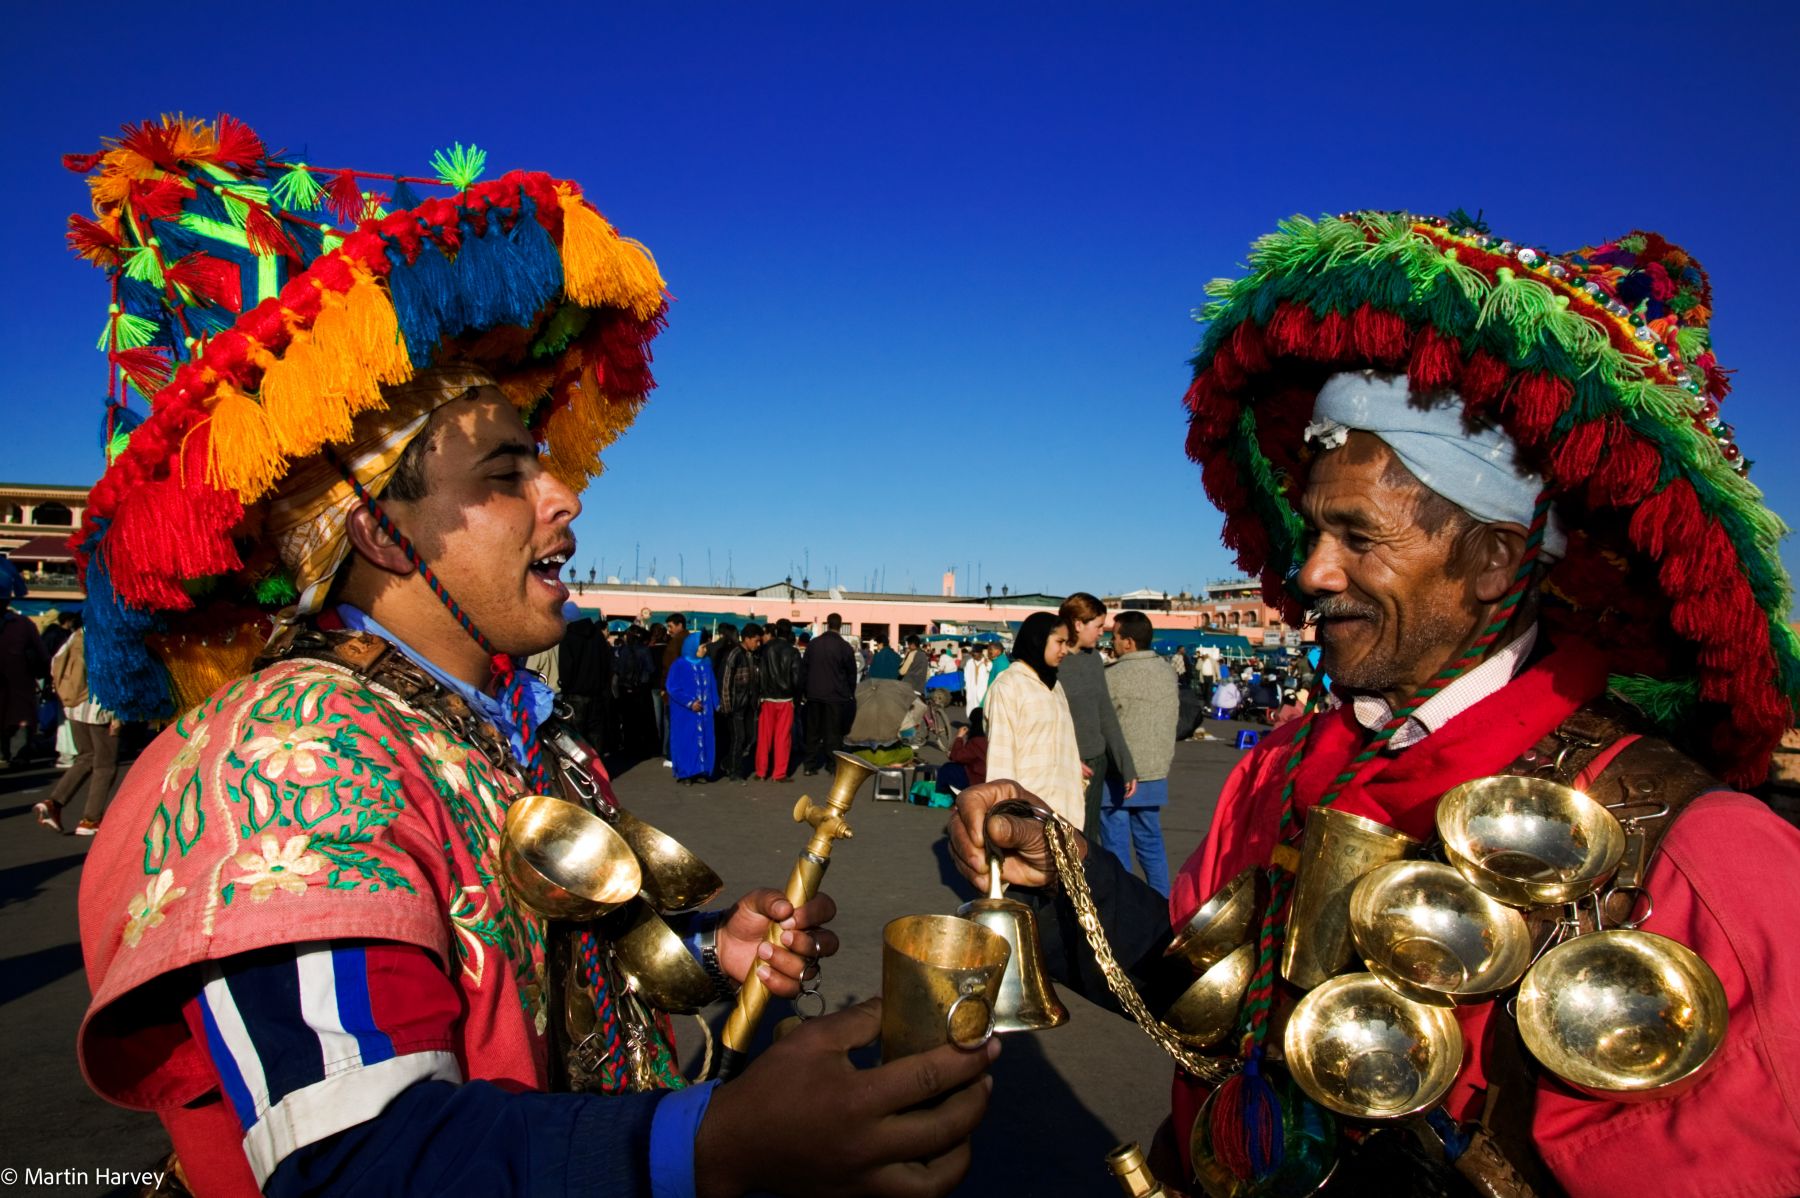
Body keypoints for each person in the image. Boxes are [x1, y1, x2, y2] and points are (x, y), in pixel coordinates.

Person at [68, 116, 990, 1198]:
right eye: (506, 472)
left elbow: (543, 967)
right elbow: (352, 1162)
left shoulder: (509, 723)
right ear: (379, 529)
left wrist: (705, 949)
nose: (565, 497)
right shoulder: (289, 755)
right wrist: (708, 1145)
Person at [953, 210, 1800, 1196]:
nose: (1310, 571)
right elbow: (1215, 999)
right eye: (1315, 529)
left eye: (1359, 535)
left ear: (1492, 558)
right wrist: (1066, 880)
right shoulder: (1275, 769)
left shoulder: (1705, 861)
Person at [981, 612, 1083, 825]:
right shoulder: (1009, 686)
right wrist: (1007, 819)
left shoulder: (1056, 687)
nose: (1065, 650)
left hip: (1066, 813)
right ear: (1038, 640)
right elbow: (1001, 759)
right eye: (1059, 642)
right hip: (1028, 815)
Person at [1100, 610, 1176, 896]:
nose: (1112, 642)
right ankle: (1162, 902)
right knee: (1151, 843)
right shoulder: (1166, 671)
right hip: (1156, 769)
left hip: (1120, 772)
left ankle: (1125, 905)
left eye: (1115, 636)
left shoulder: (1113, 675)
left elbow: (1103, 724)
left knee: (1115, 847)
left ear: (1128, 642)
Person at [1057, 593, 1137, 843]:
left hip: (1094, 763)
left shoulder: (1093, 660)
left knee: (1087, 838)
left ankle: (1083, 883)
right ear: (1078, 624)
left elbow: (1106, 713)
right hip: (1062, 765)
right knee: (1060, 838)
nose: (1103, 632)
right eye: (1099, 626)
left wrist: (1127, 766)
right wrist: (1065, 756)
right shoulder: (1052, 660)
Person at [34, 622, 122, 835]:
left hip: (74, 706)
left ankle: (53, 802)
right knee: (105, 765)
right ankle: (90, 820)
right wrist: (118, 715)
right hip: (101, 709)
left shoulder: (79, 634)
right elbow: (116, 676)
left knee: (85, 757)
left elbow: (56, 661)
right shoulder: (112, 635)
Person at [800, 612, 858, 774]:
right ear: (840, 626)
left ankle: (809, 766)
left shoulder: (813, 644)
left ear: (827, 624)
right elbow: (851, 673)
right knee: (834, 733)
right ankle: (832, 766)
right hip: (836, 695)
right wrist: (849, 693)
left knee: (813, 731)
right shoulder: (845, 647)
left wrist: (805, 690)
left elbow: (804, 669)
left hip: (814, 694)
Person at [0, 572, 46, 768]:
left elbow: (41, 656)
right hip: (20, 689)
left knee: (18, 722)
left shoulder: (22, 624)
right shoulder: (23, 624)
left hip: (18, 689)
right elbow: (42, 655)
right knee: (19, 723)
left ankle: (10, 755)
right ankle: (15, 755)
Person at [667, 632, 718, 784]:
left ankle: (701, 771)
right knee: (686, 741)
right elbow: (673, 688)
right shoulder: (679, 665)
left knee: (704, 740)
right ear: (693, 647)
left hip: (704, 713)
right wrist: (690, 703)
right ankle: (685, 774)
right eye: (702, 647)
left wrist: (717, 703)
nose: (705, 650)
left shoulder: (706, 664)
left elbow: (712, 686)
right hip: (685, 713)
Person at [755, 619, 801, 780]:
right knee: (783, 737)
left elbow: (758, 673)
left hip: (767, 698)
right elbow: (796, 678)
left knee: (764, 736)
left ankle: (761, 771)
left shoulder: (765, 649)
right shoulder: (793, 652)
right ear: (789, 633)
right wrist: (797, 697)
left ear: (775, 631)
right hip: (785, 699)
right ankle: (779, 773)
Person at [717, 622, 762, 783]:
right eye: (756, 641)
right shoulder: (735, 654)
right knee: (738, 738)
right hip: (736, 705)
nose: (758, 644)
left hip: (749, 704)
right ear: (748, 639)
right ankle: (735, 771)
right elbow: (725, 681)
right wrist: (727, 705)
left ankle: (728, 762)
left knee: (750, 736)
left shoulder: (754, 656)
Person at [936, 707, 989, 792]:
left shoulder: (977, 740)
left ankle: (942, 793)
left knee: (946, 768)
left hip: (978, 779)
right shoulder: (991, 738)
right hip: (990, 776)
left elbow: (957, 757)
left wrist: (959, 737)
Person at [963, 641, 993, 713]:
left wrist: (987, 664)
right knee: (971, 708)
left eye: (975, 652)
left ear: (980, 653)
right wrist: (967, 686)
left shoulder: (987, 662)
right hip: (971, 690)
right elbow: (966, 675)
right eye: (973, 652)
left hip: (982, 690)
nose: (973, 654)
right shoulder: (969, 662)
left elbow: (991, 671)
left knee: (982, 709)